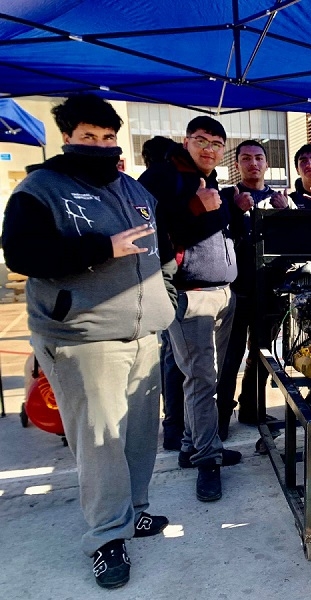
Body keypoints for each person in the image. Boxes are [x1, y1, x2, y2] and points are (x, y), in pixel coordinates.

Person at [1, 93, 175, 589]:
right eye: (88, 137)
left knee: (141, 436)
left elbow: (158, 249)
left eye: (107, 137)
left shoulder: (131, 187)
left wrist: (168, 295)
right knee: (101, 442)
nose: (100, 145)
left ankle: (133, 512)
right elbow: (23, 255)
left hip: (144, 334)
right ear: (67, 137)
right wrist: (103, 248)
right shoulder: (41, 189)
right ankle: (106, 537)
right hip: (84, 337)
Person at [139, 116, 241, 503]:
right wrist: (195, 209)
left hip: (220, 292)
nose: (209, 148)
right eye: (201, 140)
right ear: (186, 140)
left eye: (217, 143)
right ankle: (207, 460)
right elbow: (151, 234)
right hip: (189, 295)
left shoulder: (205, 178)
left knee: (198, 378)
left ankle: (191, 445)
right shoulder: (162, 178)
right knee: (202, 380)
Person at [217, 140, 292, 440]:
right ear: (237, 164)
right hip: (236, 291)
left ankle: (252, 408)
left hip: (269, 292)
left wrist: (284, 214)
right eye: (246, 158)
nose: (253, 163)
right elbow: (217, 235)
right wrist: (235, 212)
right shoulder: (226, 197)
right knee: (229, 356)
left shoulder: (279, 198)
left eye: (259, 158)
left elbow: (290, 244)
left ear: (266, 163)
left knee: (261, 355)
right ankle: (221, 417)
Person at [141, 135, 187, 451]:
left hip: (155, 277)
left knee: (169, 354)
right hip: (171, 277)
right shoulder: (164, 181)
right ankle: (173, 427)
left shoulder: (141, 185)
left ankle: (172, 424)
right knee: (175, 357)